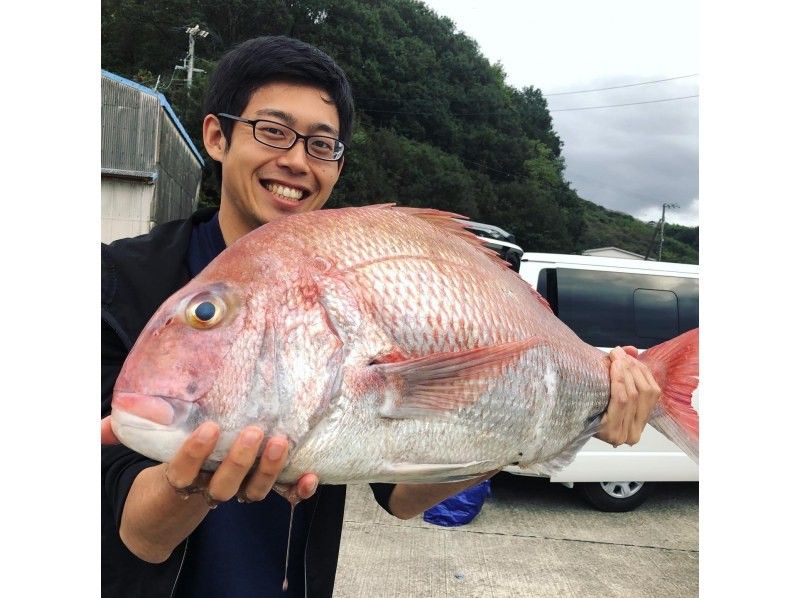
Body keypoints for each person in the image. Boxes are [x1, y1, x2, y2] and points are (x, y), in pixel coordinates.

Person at [101, 35, 661, 597]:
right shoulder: (118, 283)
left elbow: (401, 496)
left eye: (322, 146)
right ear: (218, 137)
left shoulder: (347, 261)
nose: (296, 160)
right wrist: (194, 483)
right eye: (272, 131)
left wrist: (530, 423)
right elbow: (128, 528)